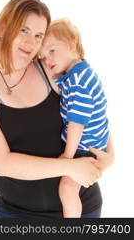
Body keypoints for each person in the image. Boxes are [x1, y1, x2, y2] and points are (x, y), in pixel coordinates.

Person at [0, 0, 114, 219]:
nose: (31, 43)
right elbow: (1, 163)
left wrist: (111, 154)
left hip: (84, 209)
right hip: (17, 216)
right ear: (3, 29)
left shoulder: (50, 70)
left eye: (39, 35)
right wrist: (68, 167)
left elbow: (90, 108)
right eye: (24, 30)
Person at [39, 18, 111, 218]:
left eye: (52, 51)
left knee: (67, 188)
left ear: (71, 45)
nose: (47, 60)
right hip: (89, 142)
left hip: (84, 146)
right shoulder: (76, 74)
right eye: (43, 57)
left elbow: (76, 124)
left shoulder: (79, 82)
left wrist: (68, 158)